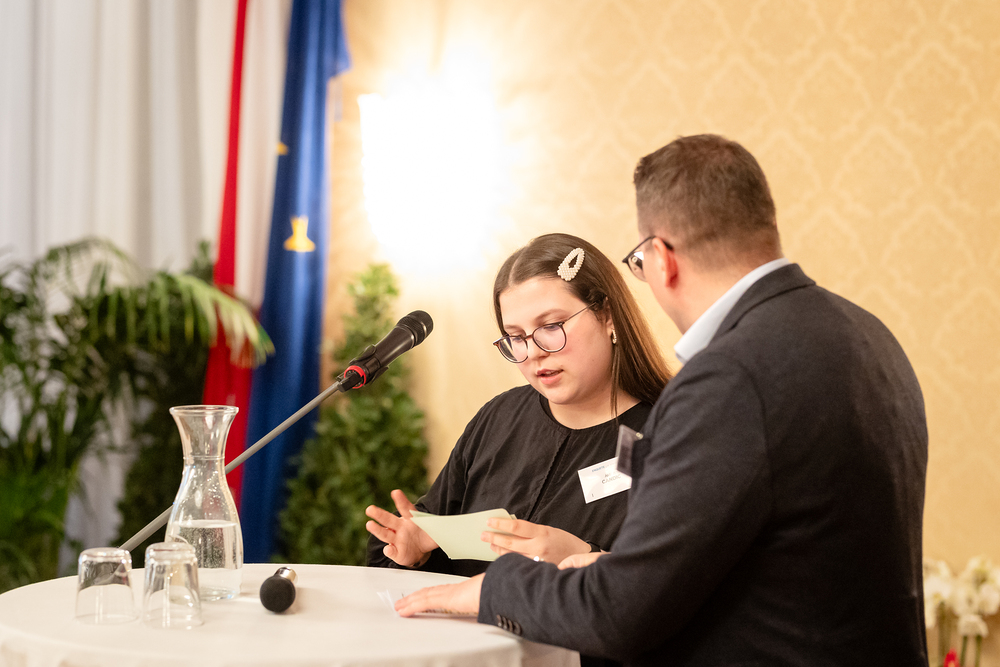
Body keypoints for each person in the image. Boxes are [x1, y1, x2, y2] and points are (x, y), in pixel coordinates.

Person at [394, 135, 929, 666]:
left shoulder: (728, 377)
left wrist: (495, 588)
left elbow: (621, 610)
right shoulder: (868, 335)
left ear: (662, 259)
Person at [365, 233, 671, 577]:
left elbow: (671, 583)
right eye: (516, 337)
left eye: (551, 326)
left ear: (607, 314)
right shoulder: (500, 417)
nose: (534, 352)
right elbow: (436, 546)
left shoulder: (670, 436)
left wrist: (583, 556)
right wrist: (415, 552)